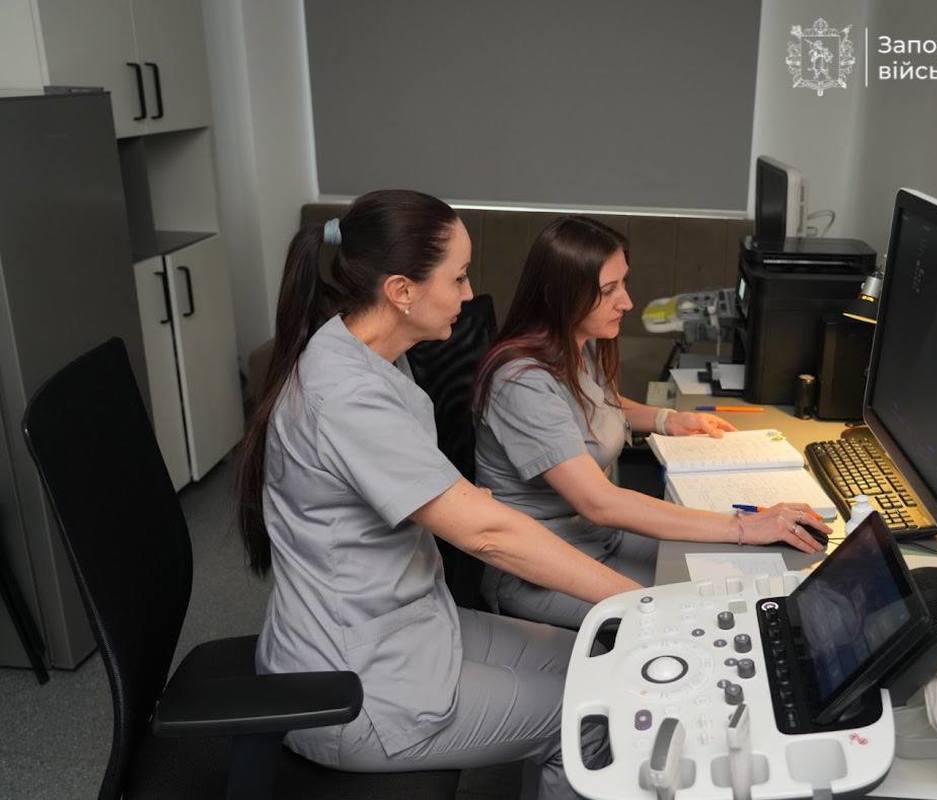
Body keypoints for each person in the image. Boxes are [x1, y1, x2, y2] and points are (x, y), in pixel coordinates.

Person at [237, 191, 637, 799]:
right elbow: (487, 534)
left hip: (413, 623)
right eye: (459, 278)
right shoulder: (344, 393)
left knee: (597, 663)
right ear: (402, 291)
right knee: (592, 712)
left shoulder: (370, 354)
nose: (470, 295)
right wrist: (639, 602)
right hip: (351, 681)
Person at [472, 215, 831, 629]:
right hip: (543, 566)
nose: (627, 302)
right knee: (706, 615)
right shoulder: (521, 382)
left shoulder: (579, 342)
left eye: (623, 283)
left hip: (596, 536)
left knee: (738, 573)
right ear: (561, 296)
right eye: (609, 290)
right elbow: (599, 503)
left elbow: (598, 404)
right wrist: (744, 526)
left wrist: (666, 419)